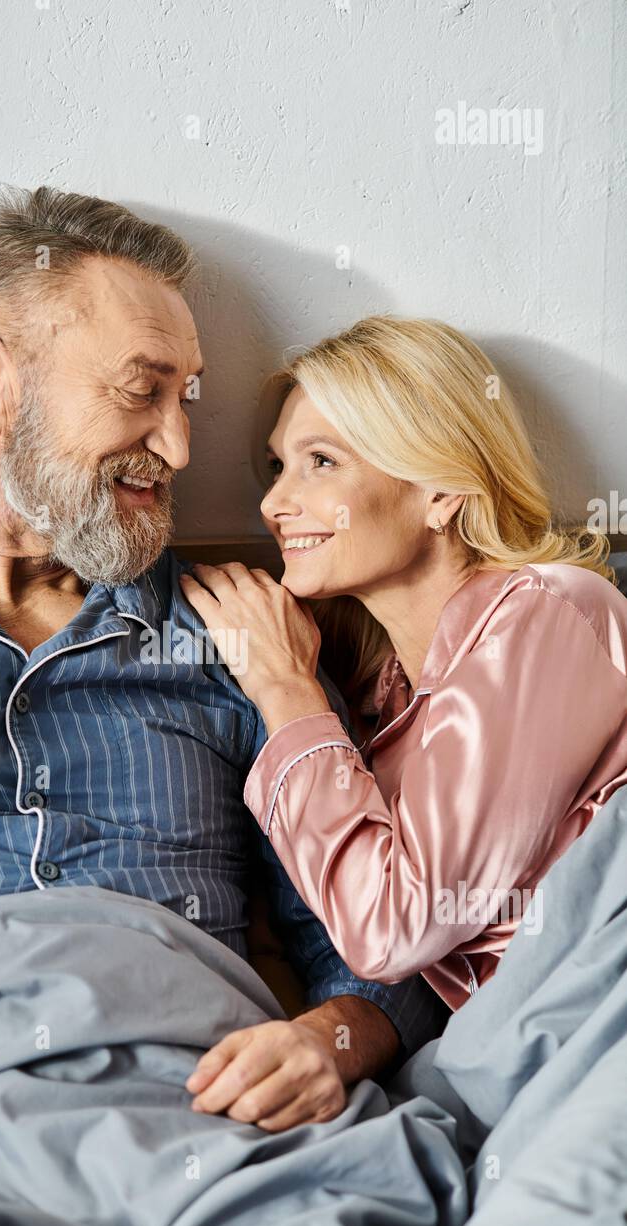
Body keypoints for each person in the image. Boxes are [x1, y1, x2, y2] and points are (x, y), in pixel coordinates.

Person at [0, 189, 446, 1132]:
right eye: (141, 390)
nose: (178, 444)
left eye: (186, 398)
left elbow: (390, 948)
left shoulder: (240, 641)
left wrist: (324, 1039)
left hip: (184, 1125)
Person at [181, 316, 627, 1010]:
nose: (273, 504)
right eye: (277, 467)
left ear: (441, 493)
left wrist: (286, 689)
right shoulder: (377, 684)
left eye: (320, 461)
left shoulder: (549, 614)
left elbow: (391, 927)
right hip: (511, 1047)